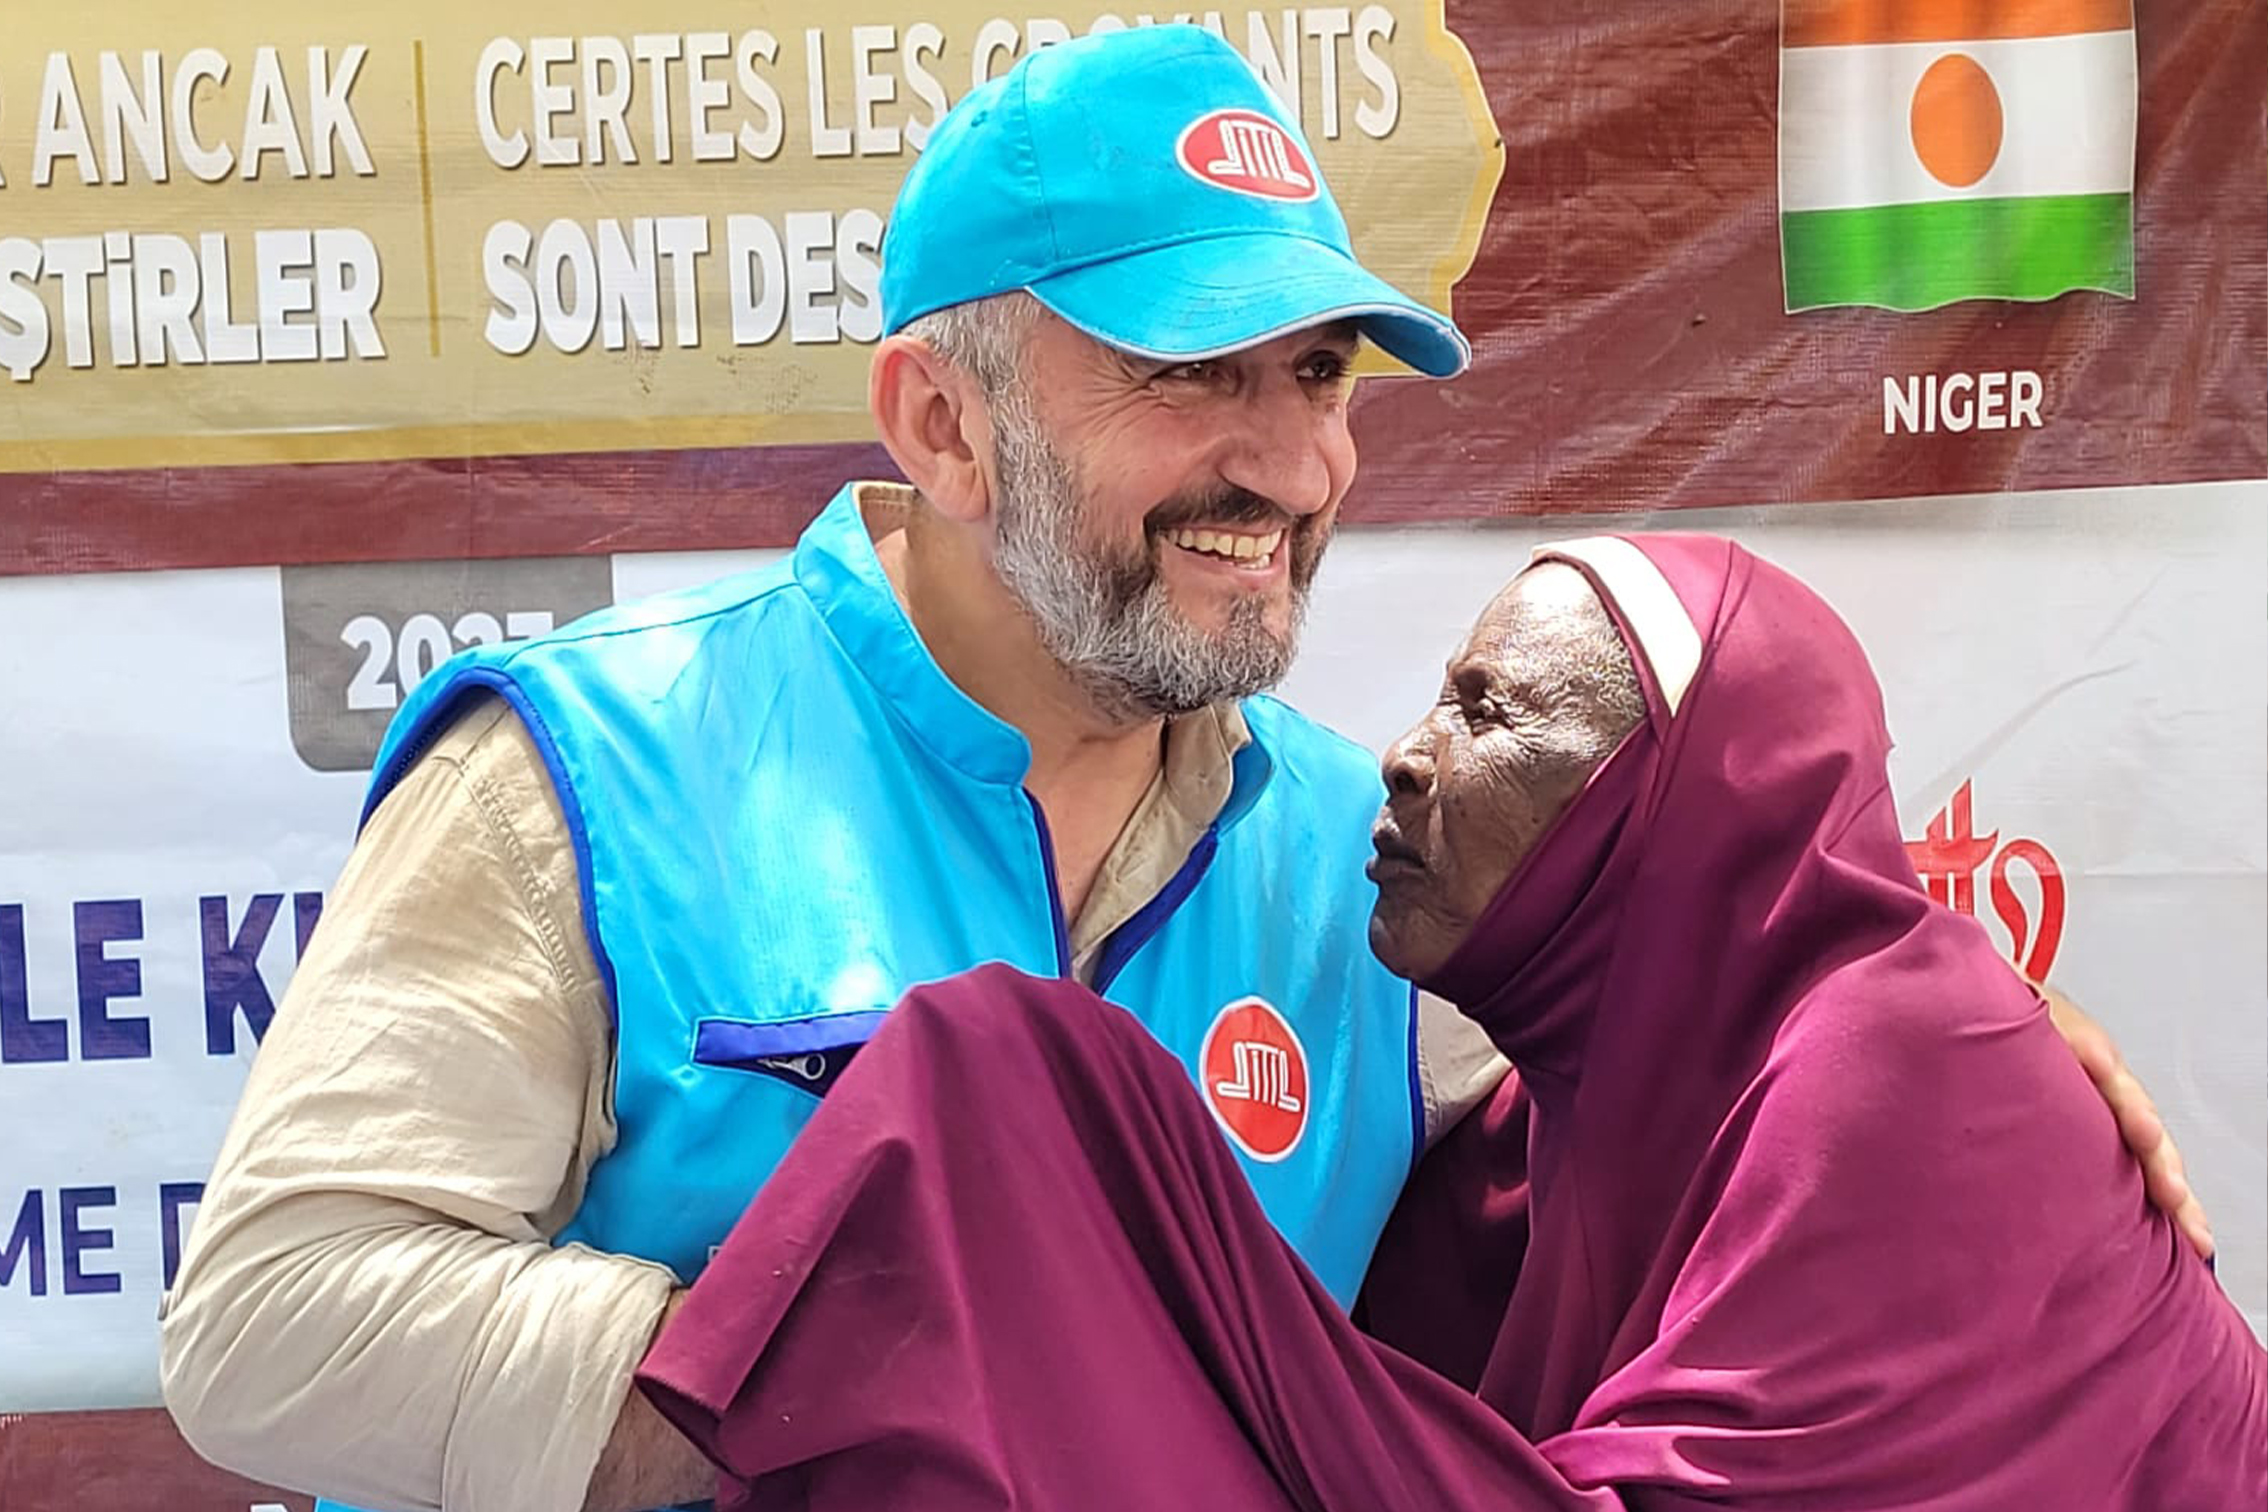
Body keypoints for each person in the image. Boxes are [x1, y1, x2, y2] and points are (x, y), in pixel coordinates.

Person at [159, 25, 2208, 1512]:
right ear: (940, 426)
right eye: (1185, 375)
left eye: (1313, 375)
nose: (1293, 464)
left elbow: (1703, 1069)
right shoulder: (589, 771)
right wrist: (811, 1380)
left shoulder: (1372, 861)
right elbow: (269, 1320)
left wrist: (1986, 1045)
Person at [634, 535, 2265, 1511]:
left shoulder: (1903, 1061)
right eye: (1434, 696)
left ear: (1669, 819)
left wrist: (1028, 1129)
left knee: (1015, 1081)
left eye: (1488, 714)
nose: (1405, 756)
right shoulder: (1554, 1109)